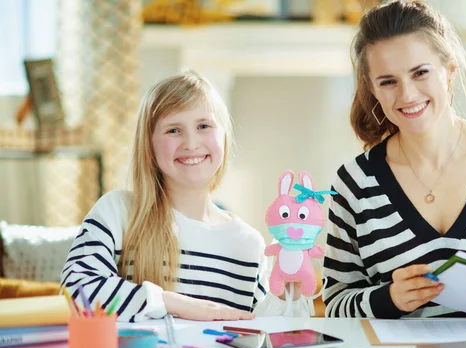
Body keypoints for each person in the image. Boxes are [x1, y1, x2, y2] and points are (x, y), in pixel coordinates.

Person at [323, 0, 466, 319]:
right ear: (372, 89)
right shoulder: (354, 183)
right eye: (388, 81)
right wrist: (388, 298)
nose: (407, 95)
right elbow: (334, 304)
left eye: (420, 73)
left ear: (449, 71)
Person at [60, 71, 310, 322]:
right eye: (173, 130)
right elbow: (75, 293)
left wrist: (289, 295)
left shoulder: (249, 244)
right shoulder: (117, 212)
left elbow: (257, 329)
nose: (191, 143)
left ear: (224, 136)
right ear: (149, 144)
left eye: (203, 126)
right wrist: (172, 303)